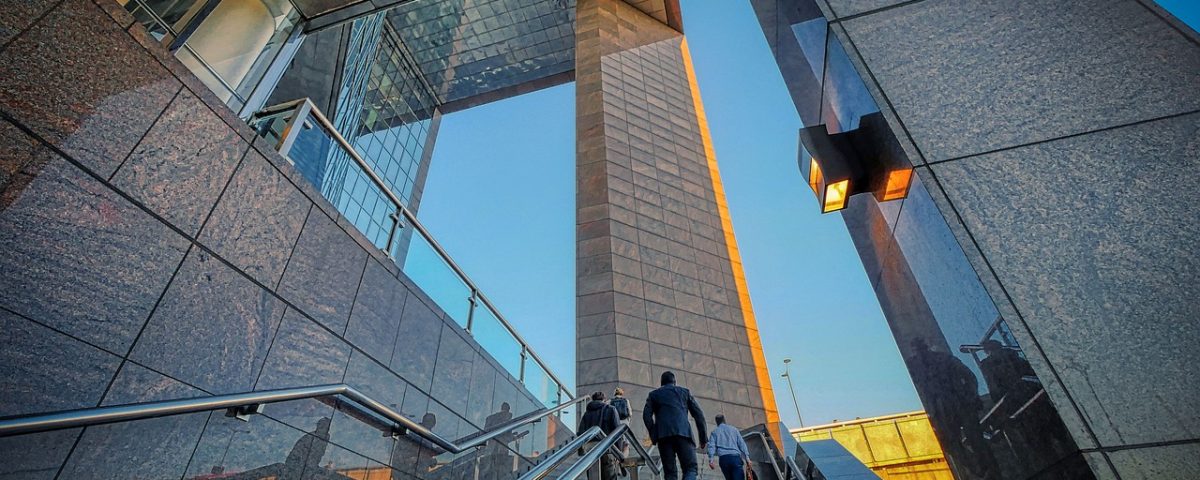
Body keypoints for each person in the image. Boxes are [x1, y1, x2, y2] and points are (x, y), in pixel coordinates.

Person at [643, 371, 707, 480]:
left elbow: (646, 416)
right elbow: (699, 415)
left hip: (664, 437)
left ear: (661, 383)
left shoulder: (654, 395)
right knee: (690, 469)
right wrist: (703, 439)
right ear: (674, 382)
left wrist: (655, 435)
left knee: (670, 473)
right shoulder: (684, 392)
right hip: (684, 434)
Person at [577, 391, 624, 480]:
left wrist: (581, 451)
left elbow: (581, 432)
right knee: (609, 476)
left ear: (593, 400)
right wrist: (618, 451)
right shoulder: (611, 409)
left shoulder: (587, 414)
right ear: (604, 399)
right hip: (607, 448)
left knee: (593, 477)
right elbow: (617, 431)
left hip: (590, 450)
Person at [705, 414, 751, 480]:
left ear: (717, 423)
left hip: (723, 459)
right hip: (735, 458)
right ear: (724, 420)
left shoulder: (714, 432)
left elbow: (711, 446)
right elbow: (742, 444)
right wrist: (747, 457)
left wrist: (711, 460)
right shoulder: (734, 429)